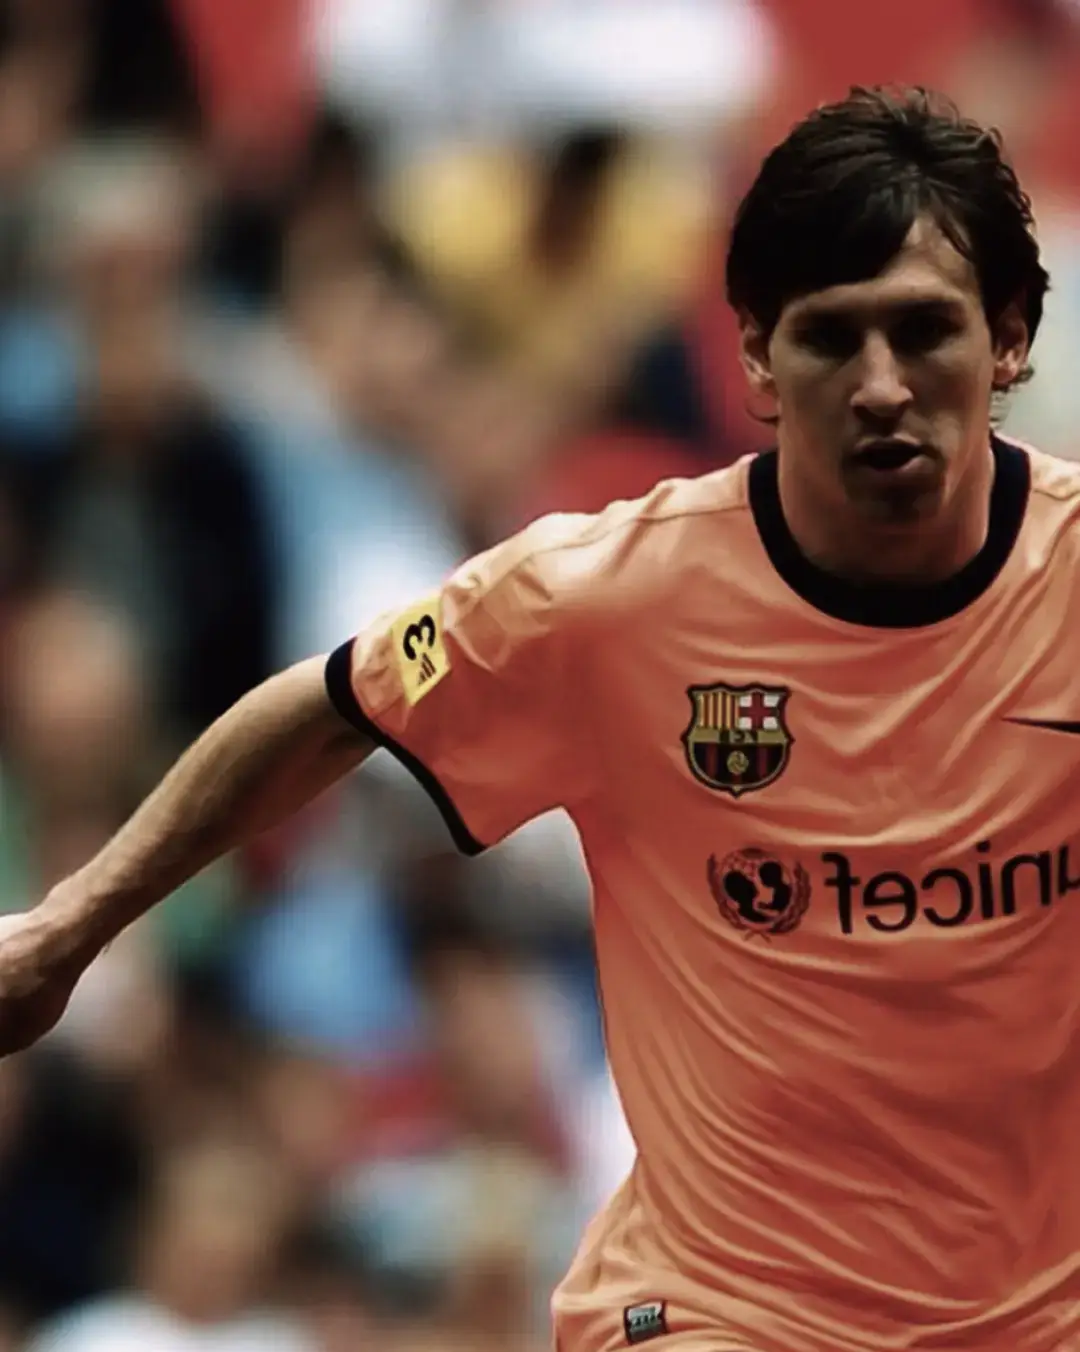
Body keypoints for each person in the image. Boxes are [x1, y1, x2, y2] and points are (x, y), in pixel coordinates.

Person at [0, 83, 1075, 1351]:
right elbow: (332, 703)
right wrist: (66, 926)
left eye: (924, 330)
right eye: (832, 338)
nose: (882, 383)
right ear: (755, 362)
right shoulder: (606, 596)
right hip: (721, 1308)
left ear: (1008, 339)